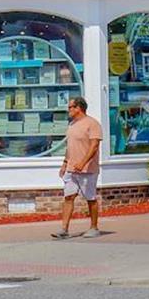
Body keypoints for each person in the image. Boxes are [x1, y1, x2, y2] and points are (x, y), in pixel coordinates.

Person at [55, 95, 102, 239]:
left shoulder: (92, 124)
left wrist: (83, 163)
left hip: (87, 169)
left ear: (78, 108)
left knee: (90, 198)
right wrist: (64, 163)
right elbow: (70, 147)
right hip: (71, 168)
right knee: (68, 197)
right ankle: (64, 229)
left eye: (70, 107)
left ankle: (94, 227)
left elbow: (94, 146)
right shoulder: (72, 125)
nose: (68, 110)